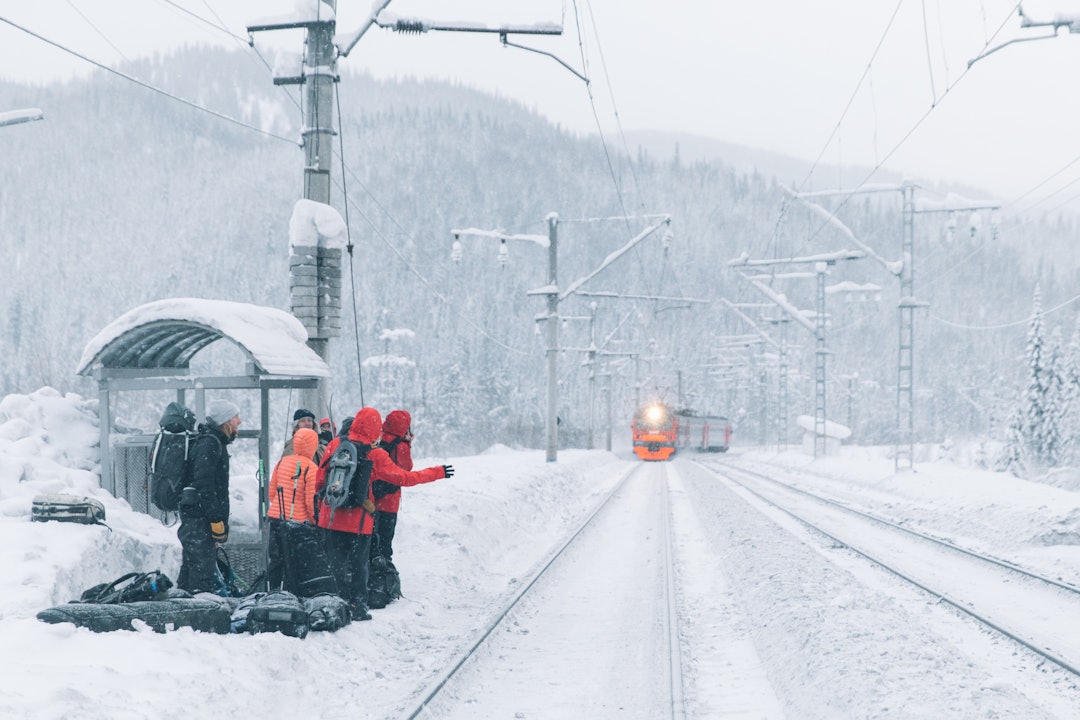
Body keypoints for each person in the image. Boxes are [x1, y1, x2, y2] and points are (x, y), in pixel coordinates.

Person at [314, 407, 453, 620]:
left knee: (335, 564)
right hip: (358, 522)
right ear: (374, 428)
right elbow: (405, 478)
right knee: (359, 565)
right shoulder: (375, 454)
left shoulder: (334, 445)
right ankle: (357, 607)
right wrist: (438, 472)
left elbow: (320, 481)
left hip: (330, 518)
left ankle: (334, 604)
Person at [177, 398, 240, 594]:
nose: (239, 421)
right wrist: (215, 519)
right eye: (236, 417)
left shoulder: (213, 442)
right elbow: (205, 485)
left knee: (192, 568)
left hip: (198, 518)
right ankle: (197, 615)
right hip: (199, 519)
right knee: (201, 573)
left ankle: (185, 611)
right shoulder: (210, 444)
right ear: (226, 421)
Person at [266, 426, 319, 593]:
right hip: (297, 524)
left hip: (275, 518)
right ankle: (292, 595)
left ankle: (273, 591)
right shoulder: (311, 468)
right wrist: (315, 521)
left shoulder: (282, 461)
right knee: (294, 562)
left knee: (276, 559)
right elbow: (311, 502)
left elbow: (272, 493)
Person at [370, 409, 414, 562]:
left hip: (372, 497)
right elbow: (406, 470)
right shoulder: (401, 446)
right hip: (390, 500)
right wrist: (408, 444)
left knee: (372, 539)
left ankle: (370, 569)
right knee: (385, 541)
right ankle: (383, 573)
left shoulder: (378, 438)